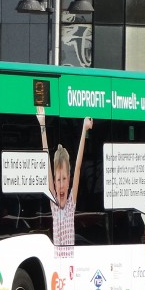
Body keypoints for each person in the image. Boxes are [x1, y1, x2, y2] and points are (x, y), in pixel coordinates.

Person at [37, 106, 92, 252]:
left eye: (64, 179)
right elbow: (46, 160)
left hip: (70, 262)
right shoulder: (54, 203)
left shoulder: (71, 203)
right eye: (58, 180)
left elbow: (78, 166)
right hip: (57, 262)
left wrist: (84, 129)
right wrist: (42, 124)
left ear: (69, 181)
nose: (61, 184)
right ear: (54, 183)